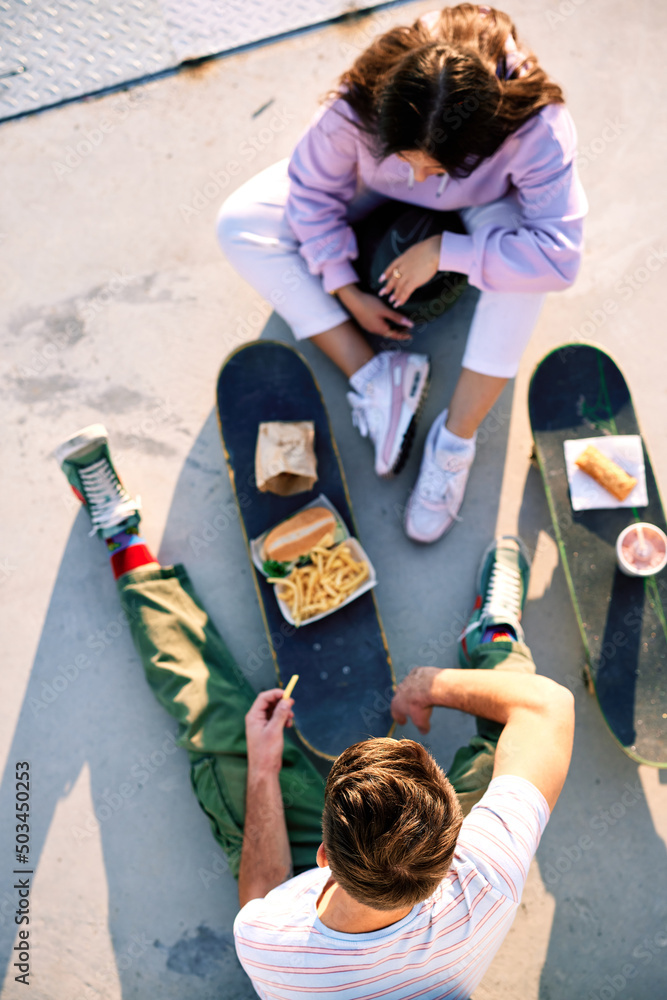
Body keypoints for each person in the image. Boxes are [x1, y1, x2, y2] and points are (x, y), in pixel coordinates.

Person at [55, 424, 574, 997]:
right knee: (515, 718)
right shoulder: (488, 872)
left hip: (326, 891)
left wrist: (261, 767)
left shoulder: (271, 946)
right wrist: (434, 684)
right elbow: (551, 707)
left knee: (219, 725)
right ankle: (494, 633)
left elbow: (264, 892)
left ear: (324, 857)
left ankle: (121, 537)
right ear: (455, 843)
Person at [217, 3, 587, 543]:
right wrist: (344, 287)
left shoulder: (537, 129)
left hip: (483, 208)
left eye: (432, 168)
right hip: (372, 186)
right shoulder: (363, 100)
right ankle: (375, 376)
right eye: (408, 159)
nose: (418, 177)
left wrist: (447, 251)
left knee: (525, 279)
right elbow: (313, 191)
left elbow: (560, 255)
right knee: (237, 223)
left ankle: (454, 443)